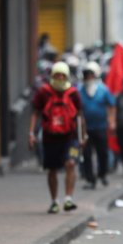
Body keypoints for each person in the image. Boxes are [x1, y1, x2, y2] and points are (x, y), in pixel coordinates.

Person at [29, 61, 87, 214]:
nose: (60, 78)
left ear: (67, 76)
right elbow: (35, 113)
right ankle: (54, 201)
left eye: (63, 75)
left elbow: (80, 115)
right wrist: (31, 134)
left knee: (70, 164)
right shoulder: (44, 92)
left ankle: (68, 198)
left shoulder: (73, 93)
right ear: (52, 76)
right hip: (50, 137)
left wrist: (83, 135)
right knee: (52, 169)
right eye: (57, 75)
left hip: (71, 137)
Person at [79, 61, 116, 189]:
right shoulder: (79, 91)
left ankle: (102, 174)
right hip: (85, 129)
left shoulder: (103, 90)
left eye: (90, 75)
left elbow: (111, 106)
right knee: (87, 154)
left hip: (100, 127)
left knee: (103, 152)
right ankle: (90, 179)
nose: (88, 78)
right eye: (86, 75)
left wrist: (111, 122)